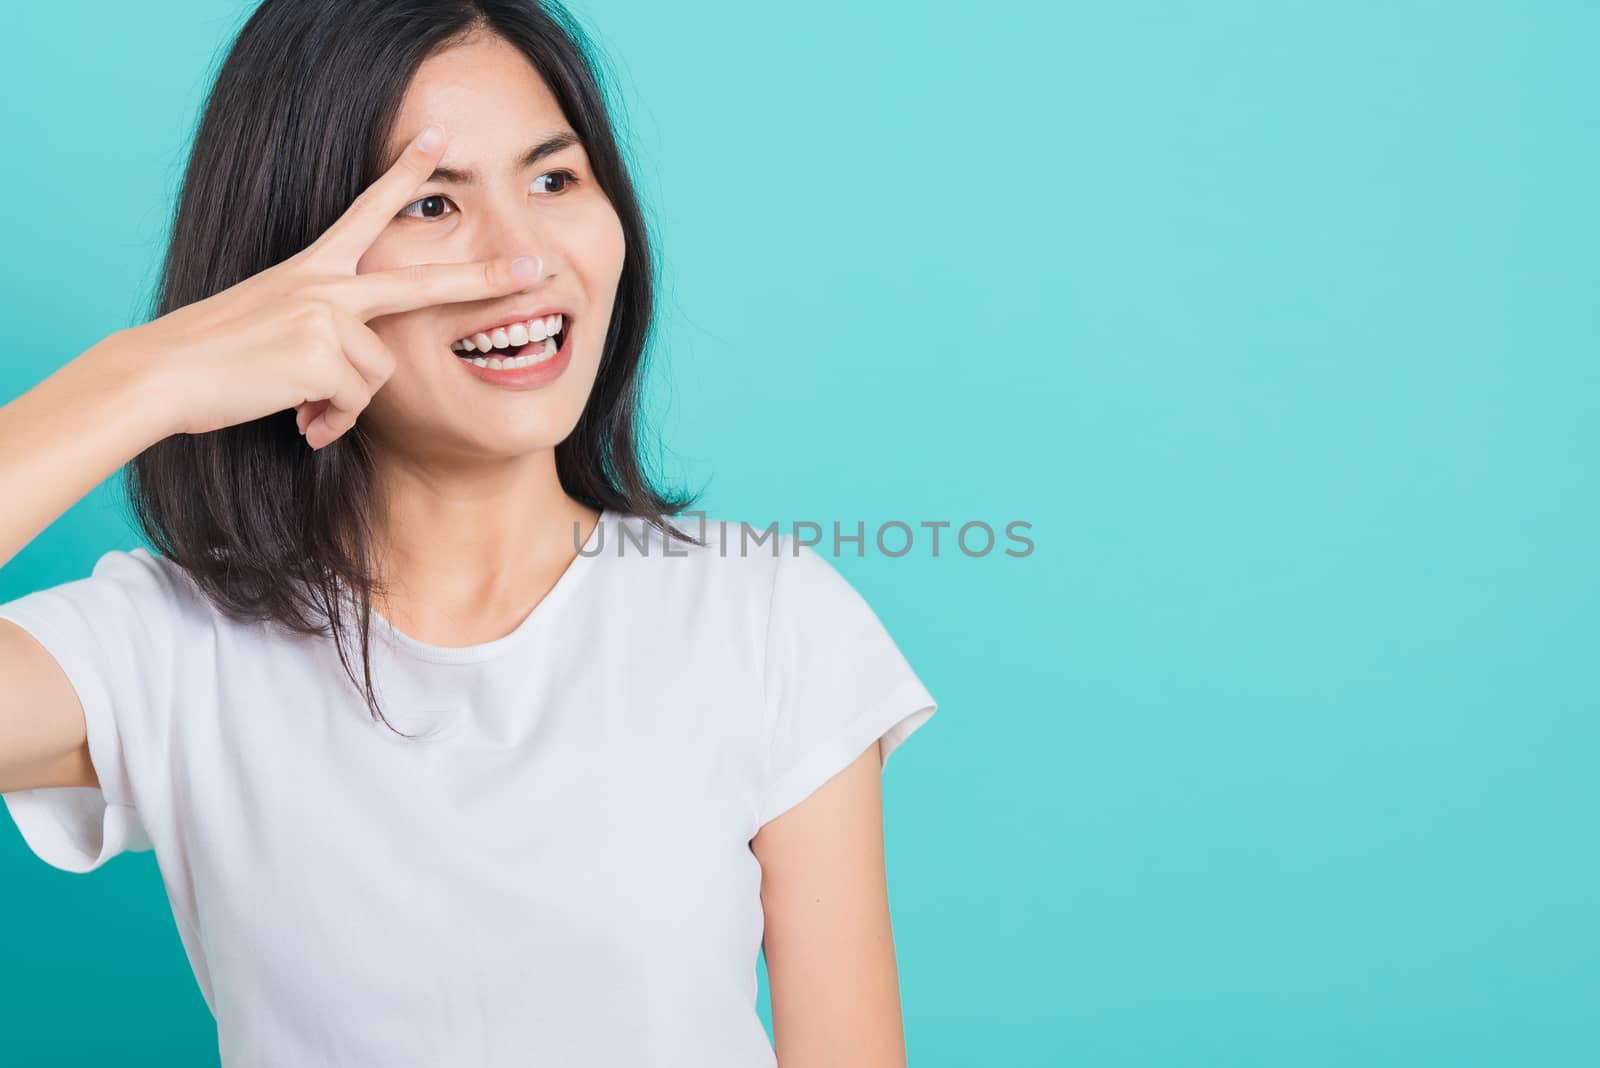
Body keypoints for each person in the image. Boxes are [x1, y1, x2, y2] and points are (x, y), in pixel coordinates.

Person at [0, 1, 937, 1065]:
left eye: (553, 179)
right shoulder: (166, 650)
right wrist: (143, 377)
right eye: (433, 202)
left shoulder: (766, 617)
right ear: (290, 269)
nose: (521, 258)